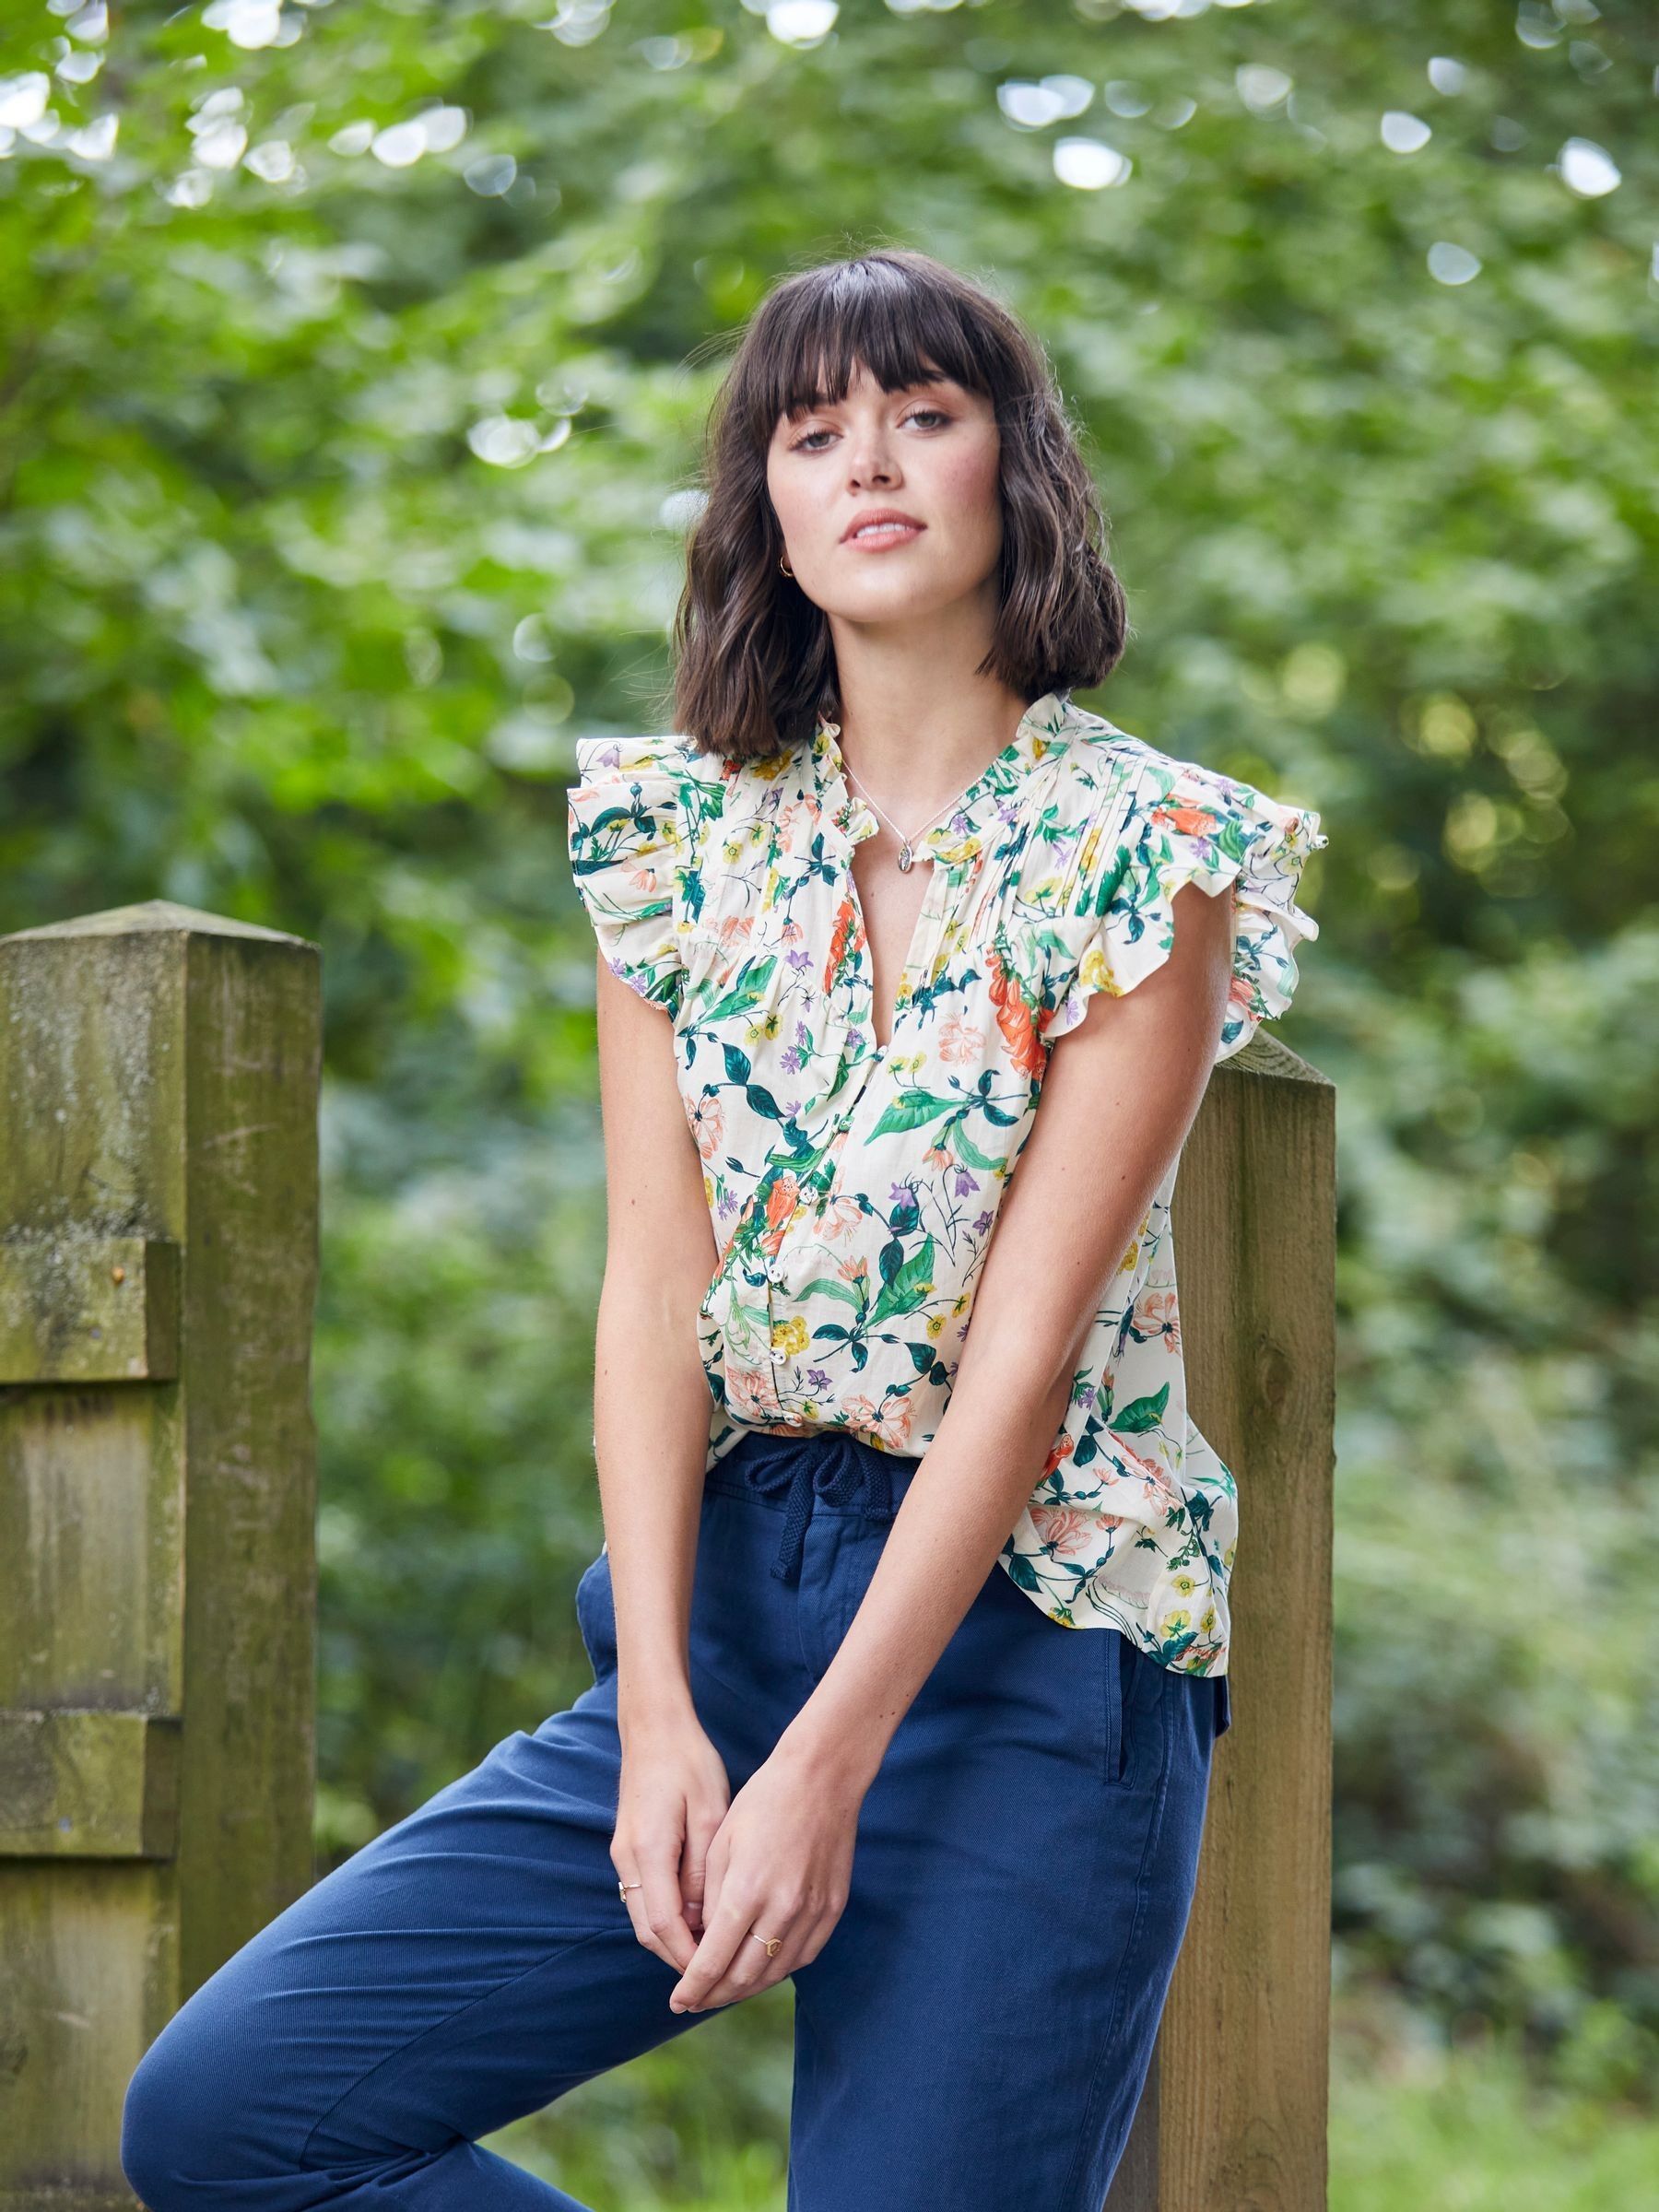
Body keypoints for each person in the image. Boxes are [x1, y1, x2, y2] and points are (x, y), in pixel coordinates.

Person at [122, 248, 1327, 2211]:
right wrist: (673, 1718)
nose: (869, 463)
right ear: (763, 500)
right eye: (813, 428)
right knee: (232, 2123)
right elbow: (655, 1285)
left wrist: (828, 1766)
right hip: (727, 1605)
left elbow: (1022, 1367)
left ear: (1016, 471)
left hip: (1033, 1647)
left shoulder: (1145, 855)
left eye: (925, 417)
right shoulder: (677, 839)